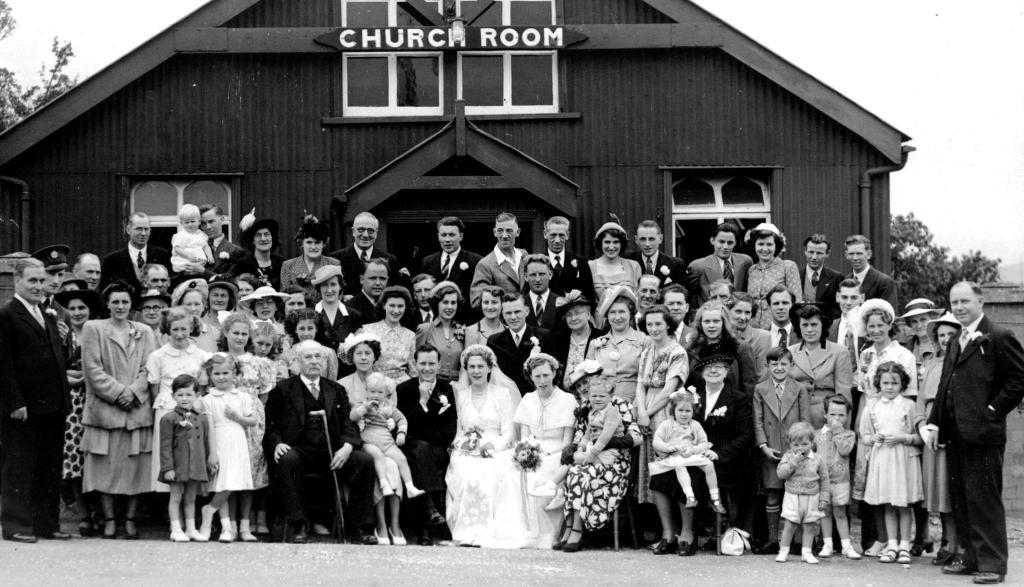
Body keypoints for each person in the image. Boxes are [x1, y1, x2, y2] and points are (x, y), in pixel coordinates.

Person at [923, 282, 1024, 584]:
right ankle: (970, 557)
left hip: (984, 433)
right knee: (962, 497)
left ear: (980, 301)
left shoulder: (999, 336)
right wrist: (934, 421)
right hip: (954, 432)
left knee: (984, 498)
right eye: (955, 302)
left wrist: (992, 410)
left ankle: (992, 564)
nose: (959, 307)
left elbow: (1020, 379)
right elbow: (945, 384)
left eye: (965, 301)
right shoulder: (955, 340)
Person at [264, 340, 377, 544]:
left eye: (319, 357)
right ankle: (299, 524)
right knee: (287, 459)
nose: (314, 361)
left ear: (325, 361)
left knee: (364, 461)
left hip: (333, 449)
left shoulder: (336, 389)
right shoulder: (282, 389)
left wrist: (347, 446)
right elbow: (271, 426)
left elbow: (348, 424)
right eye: (308, 357)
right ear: (298, 362)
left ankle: (361, 527)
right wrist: (278, 443)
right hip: (299, 448)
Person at [648, 342, 753, 554]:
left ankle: (688, 534)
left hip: (719, 461)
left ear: (726, 371)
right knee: (659, 477)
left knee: (692, 477)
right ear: (702, 371)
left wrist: (719, 454)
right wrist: (672, 447)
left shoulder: (738, 398)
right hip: (685, 454)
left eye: (719, 366)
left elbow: (744, 436)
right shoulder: (690, 395)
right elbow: (676, 425)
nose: (713, 370)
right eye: (708, 367)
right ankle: (668, 534)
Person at [0, 258, 71, 544]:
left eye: (41, 281)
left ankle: (46, 523)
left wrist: (63, 399)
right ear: (17, 281)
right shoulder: (7, 315)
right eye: (32, 281)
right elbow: (3, 365)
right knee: (19, 466)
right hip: (24, 408)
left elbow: (55, 360)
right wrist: (14, 402)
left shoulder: (47, 313)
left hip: (53, 406)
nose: (38, 286)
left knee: (49, 466)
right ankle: (16, 524)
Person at [81, 281, 156, 540]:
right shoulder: (94, 328)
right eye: (115, 302)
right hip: (105, 410)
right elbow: (91, 369)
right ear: (108, 304)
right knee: (105, 467)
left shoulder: (144, 331)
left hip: (136, 410)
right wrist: (117, 393)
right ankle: (110, 520)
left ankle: (130, 520)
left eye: (125, 302)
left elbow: (150, 368)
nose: (120, 306)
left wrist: (134, 391)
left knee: (136, 467)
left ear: (131, 304)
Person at [485, 353, 576, 549]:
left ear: (554, 373)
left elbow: (567, 442)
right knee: (508, 474)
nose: (542, 381)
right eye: (537, 376)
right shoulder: (528, 399)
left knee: (538, 476)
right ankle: (516, 531)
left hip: (556, 452)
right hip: (531, 448)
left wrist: (543, 454)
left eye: (546, 375)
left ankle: (542, 535)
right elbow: (525, 437)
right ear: (531, 377)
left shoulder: (568, 400)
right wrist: (525, 452)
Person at [852, 298, 916, 556]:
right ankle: (882, 538)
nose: (876, 330)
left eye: (880, 325)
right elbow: (862, 392)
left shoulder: (903, 355)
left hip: (894, 424)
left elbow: (910, 397)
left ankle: (902, 541)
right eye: (871, 326)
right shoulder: (866, 354)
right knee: (872, 481)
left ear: (889, 325)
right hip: (871, 419)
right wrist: (859, 425)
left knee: (895, 485)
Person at [558, 363, 639, 551]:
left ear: (597, 380)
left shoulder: (618, 404)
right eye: (578, 387)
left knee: (580, 474)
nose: (583, 388)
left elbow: (637, 437)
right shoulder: (586, 408)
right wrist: (575, 449)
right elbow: (581, 436)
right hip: (592, 458)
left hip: (615, 463)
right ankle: (569, 528)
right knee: (574, 470)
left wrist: (606, 443)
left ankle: (576, 530)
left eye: (585, 382)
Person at [445, 345, 518, 546]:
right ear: (466, 369)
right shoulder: (461, 395)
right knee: (466, 472)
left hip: (496, 447)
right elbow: (459, 430)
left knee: (488, 473)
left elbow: (508, 431)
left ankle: (485, 531)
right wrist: (463, 445)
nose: (476, 371)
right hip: (466, 449)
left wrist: (493, 447)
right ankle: (466, 531)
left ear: (489, 368)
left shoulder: (502, 394)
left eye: (480, 366)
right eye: (471, 367)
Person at [220, 313, 277, 540]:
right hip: (225, 418)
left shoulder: (259, 363)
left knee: (250, 472)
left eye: (244, 334)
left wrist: (252, 413)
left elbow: (263, 395)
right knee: (229, 471)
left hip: (252, 421)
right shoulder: (217, 359)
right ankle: (229, 524)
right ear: (225, 333)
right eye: (235, 333)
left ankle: (245, 525)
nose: (240, 337)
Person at [861, 362, 924, 565]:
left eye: (894, 383)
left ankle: (904, 545)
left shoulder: (909, 406)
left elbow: (918, 437)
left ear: (902, 384)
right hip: (883, 459)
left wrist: (902, 438)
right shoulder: (872, 406)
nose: (889, 387)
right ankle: (892, 544)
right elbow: (865, 435)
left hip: (903, 459)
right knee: (888, 502)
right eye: (885, 382)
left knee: (902, 503)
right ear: (879, 384)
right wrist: (874, 439)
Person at [146, 307, 212, 495]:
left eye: (184, 329)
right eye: (175, 329)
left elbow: (203, 387)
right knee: (169, 454)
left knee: (191, 454)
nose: (180, 334)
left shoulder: (201, 355)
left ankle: (191, 505)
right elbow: (154, 388)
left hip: (193, 410)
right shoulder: (158, 356)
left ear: (191, 329)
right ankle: (169, 505)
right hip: (167, 410)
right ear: (168, 329)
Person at [396, 345, 458, 545]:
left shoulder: (447, 389)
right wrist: (422, 401)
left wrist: (423, 433)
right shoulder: (404, 389)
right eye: (422, 363)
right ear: (414, 364)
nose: (427, 368)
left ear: (439, 364)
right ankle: (429, 513)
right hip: (412, 447)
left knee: (422, 452)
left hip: (436, 449)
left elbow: (448, 430)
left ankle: (425, 523)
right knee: (419, 451)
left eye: (432, 363)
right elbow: (405, 425)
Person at [753, 347, 811, 551]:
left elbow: (805, 420)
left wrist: (803, 449)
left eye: (783, 364)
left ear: (791, 365)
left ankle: (796, 540)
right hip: (771, 449)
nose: (779, 368)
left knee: (796, 494)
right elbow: (758, 421)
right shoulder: (760, 389)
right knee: (773, 493)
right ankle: (772, 539)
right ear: (767, 366)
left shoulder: (800, 389)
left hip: (794, 450)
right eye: (774, 364)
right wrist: (763, 446)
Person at [193, 353, 255, 542]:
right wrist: (212, 453)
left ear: (234, 374)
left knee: (233, 482)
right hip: (218, 441)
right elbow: (210, 427)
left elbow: (252, 420)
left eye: (225, 373)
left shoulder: (242, 396)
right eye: (217, 374)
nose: (221, 377)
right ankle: (225, 527)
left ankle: (209, 511)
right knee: (223, 482)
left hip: (237, 440)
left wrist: (238, 418)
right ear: (210, 376)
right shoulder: (208, 399)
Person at [55, 285, 100, 537]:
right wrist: (70, 378)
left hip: (95, 399)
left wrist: (82, 376)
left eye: (82, 307)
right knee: (73, 457)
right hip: (70, 403)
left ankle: (98, 512)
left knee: (94, 456)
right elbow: (54, 366)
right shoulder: (61, 336)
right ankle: (83, 513)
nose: (77, 312)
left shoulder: (97, 334)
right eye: (72, 309)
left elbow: (100, 369)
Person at [917, 312, 960, 566]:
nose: (945, 339)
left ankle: (956, 543)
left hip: (950, 432)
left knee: (950, 489)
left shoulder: (962, 363)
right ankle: (945, 540)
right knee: (935, 491)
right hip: (930, 434)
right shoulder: (931, 363)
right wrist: (922, 424)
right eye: (941, 335)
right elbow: (921, 400)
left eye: (950, 334)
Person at [634, 304, 688, 506]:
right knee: (652, 468)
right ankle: (660, 526)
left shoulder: (677, 352)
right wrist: (641, 412)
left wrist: (646, 413)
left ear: (668, 326)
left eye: (658, 324)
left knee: (669, 466)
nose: (654, 328)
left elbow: (669, 390)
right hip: (645, 407)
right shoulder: (647, 351)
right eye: (649, 324)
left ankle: (681, 529)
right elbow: (640, 385)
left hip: (665, 411)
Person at [158, 374, 217, 542]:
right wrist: (167, 468)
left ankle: (191, 529)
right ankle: (176, 529)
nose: (184, 398)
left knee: (191, 497)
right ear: (173, 396)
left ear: (197, 396)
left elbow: (205, 443)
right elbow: (165, 446)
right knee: (175, 496)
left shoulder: (201, 418)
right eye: (180, 394)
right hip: (177, 465)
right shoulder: (168, 419)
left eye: (189, 394)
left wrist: (207, 463)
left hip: (196, 464)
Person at [649, 390, 724, 511]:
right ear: (673, 410)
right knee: (680, 465)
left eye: (688, 411)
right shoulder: (666, 425)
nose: (684, 414)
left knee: (709, 465)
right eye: (680, 410)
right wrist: (668, 447)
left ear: (693, 412)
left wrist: (693, 449)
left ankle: (715, 498)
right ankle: (690, 496)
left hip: (691, 454)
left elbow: (704, 443)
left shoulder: (695, 425)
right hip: (675, 456)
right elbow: (656, 442)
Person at [788, 303, 854, 428]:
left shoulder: (839, 352)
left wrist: (843, 433)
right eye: (805, 325)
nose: (809, 330)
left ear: (823, 325)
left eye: (814, 324)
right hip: (795, 418)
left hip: (825, 418)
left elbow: (844, 397)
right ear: (798, 327)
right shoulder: (789, 352)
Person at [774, 421, 831, 565]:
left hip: (812, 496)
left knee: (809, 525)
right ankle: (783, 551)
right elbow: (781, 474)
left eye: (805, 444)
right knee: (790, 524)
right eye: (796, 445)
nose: (800, 448)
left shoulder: (818, 459)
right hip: (793, 496)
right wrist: (793, 463)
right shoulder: (788, 457)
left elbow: (824, 480)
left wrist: (824, 498)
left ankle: (807, 552)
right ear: (790, 444)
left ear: (812, 443)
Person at [815, 394, 861, 560]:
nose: (836, 418)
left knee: (840, 513)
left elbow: (844, 450)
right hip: (823, 483)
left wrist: (837, 432)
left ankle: (846, 546)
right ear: (825, 414)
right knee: (825, 512)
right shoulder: (817, 434)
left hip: (841, 482)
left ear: (847, 416)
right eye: (832, 414)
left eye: (841, 415)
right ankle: (828, 544)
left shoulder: (848, 435)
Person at [585, 285, 645, 402]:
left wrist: (638, 407)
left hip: (633, 402)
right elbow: (589, 379)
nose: (617, 317)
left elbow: (646, 380)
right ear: (607, 315)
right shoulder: (595, 343)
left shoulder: (643, 340)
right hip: (603, 403)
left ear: (630, 313)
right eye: (612, 312)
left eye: (622, 312)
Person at [686, 301, 757, 395]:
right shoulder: (692, 349)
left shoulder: (741, 348)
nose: (711, 326)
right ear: (700, 324)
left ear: (724, 323)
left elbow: (748, 387)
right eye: (707, 321)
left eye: (716, 321)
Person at [329, 211, 403, 297]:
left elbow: (393, 293)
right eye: (361, 230)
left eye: (370, 230)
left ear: (376, 233)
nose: (365, 235)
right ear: (353, 231)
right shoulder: (335, 259)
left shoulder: (390, 260)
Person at [745, 223, 802, 330]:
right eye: (761, 244)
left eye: (769, 244)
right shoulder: (751, 270)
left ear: (776, 246)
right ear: (754, 245)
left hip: (778, 328)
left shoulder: (788, 266)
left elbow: (797, 302)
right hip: (754, 329)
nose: (765, 249)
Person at [99, 212, 172, 293]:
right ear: (128, 230)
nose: (143, 233)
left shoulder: (162, 255)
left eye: (146, 229)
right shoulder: (112, 260)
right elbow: (105, 291)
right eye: (139, 229)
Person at [685, 221, 752, 309]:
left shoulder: (745, 262)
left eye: (730, 243)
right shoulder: (698, 266)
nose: (725, 247)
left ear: (735, 243)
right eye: (721, 242)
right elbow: (690, 297)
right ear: (712, 240)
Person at [542, 290, 601, 389]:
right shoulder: (556, 339)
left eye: (577, 313)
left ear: (588, 315)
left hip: (593, 395)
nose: (573, 318)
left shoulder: (600, 337)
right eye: (569, 315)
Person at [487, 292, 543, 396]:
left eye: (517, 312)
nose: (513, 317)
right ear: (502, 314)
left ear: (527, 311)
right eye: (508, 313)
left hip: (536, 397)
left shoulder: (543, 336)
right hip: (506, 400)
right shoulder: (494, 341)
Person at [470, 212, 528, 307]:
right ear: (495, 232)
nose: (504, 236)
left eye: (509, 230)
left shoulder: (524, 255)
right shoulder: (485, 264)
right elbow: (476, 301)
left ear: (518, 232)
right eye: (500, 230)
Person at [420, 216, 482, 304]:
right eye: (443, 235)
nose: (447, 240)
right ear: (438, 236)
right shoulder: (427, 262)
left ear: (461, 236)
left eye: (452, 235)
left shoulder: (475, 261)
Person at [360, 286, 417, 382]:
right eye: (392, 305)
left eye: (400, 306)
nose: (396, 311)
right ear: (384, 305)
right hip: (376, 384)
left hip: (402, 386)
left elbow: (412, 368)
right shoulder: (368, 330)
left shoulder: (410, 335)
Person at [279, 214, 340, 304]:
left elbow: (338, 293)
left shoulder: (333, 263)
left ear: (324, 244)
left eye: (317, 242)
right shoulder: (288, 265)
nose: (313, 247)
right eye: (309, 242)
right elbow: (284, 297)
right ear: (301, 243)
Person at [416, 280, 467, 382]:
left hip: (457, 386)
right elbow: (417, 362)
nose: (450, 307)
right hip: (431, 383)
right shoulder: (425, 329)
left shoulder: (462, 330)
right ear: (437, 304)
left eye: (453, 303)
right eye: (445, 302)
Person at [310, 265, 363, 353]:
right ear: (319, 288)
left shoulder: (354, 316)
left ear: (340, 286)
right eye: (325, 285)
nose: (329, 290)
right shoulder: (311, 314)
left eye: (333, 284)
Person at [588, 221, 642, 303]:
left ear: (622, 244)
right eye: (607, 242)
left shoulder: (634, 266)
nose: (611, 247)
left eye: (616, 242)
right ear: (600, 243)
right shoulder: (590, 266)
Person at [543, 216, 594, 300]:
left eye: (561, 235)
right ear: (545, 234)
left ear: (567, 235)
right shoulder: (538, 262)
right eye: (553, 235)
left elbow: (589, 295)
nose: (557, 240)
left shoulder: (581, 262)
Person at [281, 308, 339, 381]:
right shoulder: (288, 355)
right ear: (295, 329)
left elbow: (332, 381)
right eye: (302, 329)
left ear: (316, 329)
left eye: (310, 328)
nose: (306, 333)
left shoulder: (328, 353)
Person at [843, 234, 898, 308]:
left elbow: (889, 315)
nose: (855, 258)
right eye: (851, 254)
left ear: (869, 254)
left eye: (859, 253)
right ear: (846, 255)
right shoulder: (845, 281)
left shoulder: (884, 283)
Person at [627, 220, 686, 288]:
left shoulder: (676, 264)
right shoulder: (629, 261)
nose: (647, 244)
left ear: (660, 239)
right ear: (636, 240)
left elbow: (681, 293)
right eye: (643, 239)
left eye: (651, 239)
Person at [727, 292, 770, 382]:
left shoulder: (763, 337)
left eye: (747, 313)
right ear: (728, 312)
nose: (743, 317)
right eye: (738, 312)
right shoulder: (721, 336)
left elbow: (762, 378)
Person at [200, 204, 250, 280]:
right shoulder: (196, 248)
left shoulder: (236, 251)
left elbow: (231, 278)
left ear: (222, 219)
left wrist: (203, 271)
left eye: (211, 221)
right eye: (203, 223)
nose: (208, 227)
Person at [235, 215, 284, 290]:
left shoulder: (281, 263)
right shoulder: (243, 264)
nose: (263, 239)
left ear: (272, 238)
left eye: (266, 234)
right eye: (258, 235)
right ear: (253, 240)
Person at [801, 234, 843, 320]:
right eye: (811, 252)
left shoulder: (836, 278)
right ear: (805, 251)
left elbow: (839, 309)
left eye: (819, 253)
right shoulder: (796, 276)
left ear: (827, 254)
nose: (814, 257)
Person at [171, 278, 220, 352]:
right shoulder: (170, 334)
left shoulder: (215, 333)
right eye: (188, 304)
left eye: (197, 304)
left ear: (203, 307)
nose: (193, 309)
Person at [170, 203, 215, 273]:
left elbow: (205, 246)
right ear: (181, 223)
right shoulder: (182, 235)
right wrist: (187, 255)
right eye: (186, 222)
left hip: (199, 262)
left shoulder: (201, 234)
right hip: (185, 261)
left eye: (193, 221)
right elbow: (177, 248)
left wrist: (210, 256)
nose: (190, 224)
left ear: (199, 221)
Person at [899, 298, 941, 365]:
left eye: (923, 320)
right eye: (914, 321)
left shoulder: (944, 344)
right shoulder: (905, 349)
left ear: (933, 319)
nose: (919, 326)